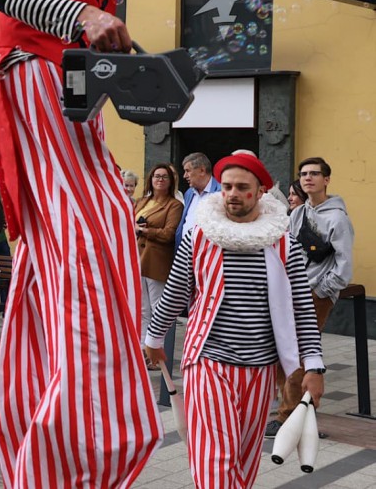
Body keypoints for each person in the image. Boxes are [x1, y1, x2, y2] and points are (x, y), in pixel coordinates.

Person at [0, 0, 234, 483]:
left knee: (85, 238)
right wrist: (83, 18)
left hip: (81, 80)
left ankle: (58, 421)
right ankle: (81, 428)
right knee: (85, 235)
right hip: (34, 67)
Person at [145, 153, 324, 488]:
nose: (232, 194)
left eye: (242, 187)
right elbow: (175, 292)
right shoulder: (199, 236)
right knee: (216, 460)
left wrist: (314, 366)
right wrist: (154, 338)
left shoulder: (283, 244)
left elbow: (301, 308)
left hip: (261, 369)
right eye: (227, 186)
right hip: (208, 362)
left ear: (261, 191)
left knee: (244, 458)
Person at [266, 157, 353, 439]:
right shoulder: (298, 213)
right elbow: (287, 251)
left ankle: (290, 418)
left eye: (314, 173)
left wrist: (321, 289)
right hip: (291, 290)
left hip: (316, 293)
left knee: (303, 353)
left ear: (326, 180)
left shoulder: (337, 218)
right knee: (284, 350)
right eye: (304, 174)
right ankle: (295, 413)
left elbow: (344, 265)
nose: (308, 178)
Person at [133, 163, 184, 356]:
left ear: (171, 181)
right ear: (151, 179)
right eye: (157, 176)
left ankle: (159, 351)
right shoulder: (141, 202)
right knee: (142, 309)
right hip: (137, 259)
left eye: (164, 176)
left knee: (158, 309)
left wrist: (145, 230)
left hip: (157, 261)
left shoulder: (174, 205)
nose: (160, 180)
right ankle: (143, 351)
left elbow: (169, 234)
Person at [175, 152, 220, 248]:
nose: (184, 176)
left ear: (202, 170)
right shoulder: (189, 193)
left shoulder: (221, 192)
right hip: (185, 251)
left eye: (188, 171)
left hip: (208, 251)